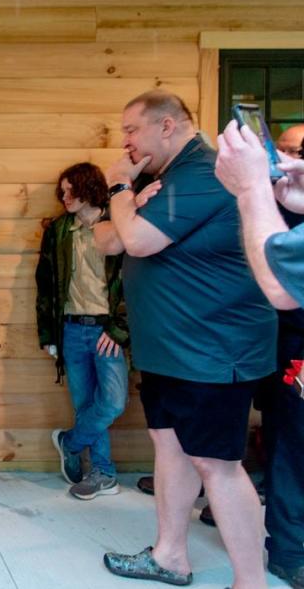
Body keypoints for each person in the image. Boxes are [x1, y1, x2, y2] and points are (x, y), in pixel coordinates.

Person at [93, 90, 276, 588]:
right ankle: (170, 556)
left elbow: (136, 240)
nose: (125, 141)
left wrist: (118, 187)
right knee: (170, 446)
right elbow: (104, 239)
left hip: (213, 349)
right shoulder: (166, 178)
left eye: (131, 129)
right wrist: (129, 201)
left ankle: (250, 582)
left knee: (217, 463)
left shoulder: (202, 173)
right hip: (172, 349)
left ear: (167, 126)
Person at [215, 120, 304, 589]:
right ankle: (288, 551)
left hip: (287, 335)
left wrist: (251, 188)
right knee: (290, 445)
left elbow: (278, 284)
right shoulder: (287, 204)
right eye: (285, 151)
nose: (287, 162)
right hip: (284, 346)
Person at [36, 162, 129, 500]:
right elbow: (45, 285)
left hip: (107, 330)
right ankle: (102, 471)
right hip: (71, 330)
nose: (64, 198)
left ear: (88, 188)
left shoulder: (119, 225)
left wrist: (119, 330)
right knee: (86, 403)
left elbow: (133, 281)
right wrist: (48, 335)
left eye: (69, 191)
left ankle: (70, 442)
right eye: (61, 193)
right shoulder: (60, 230)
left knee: (113, 402)